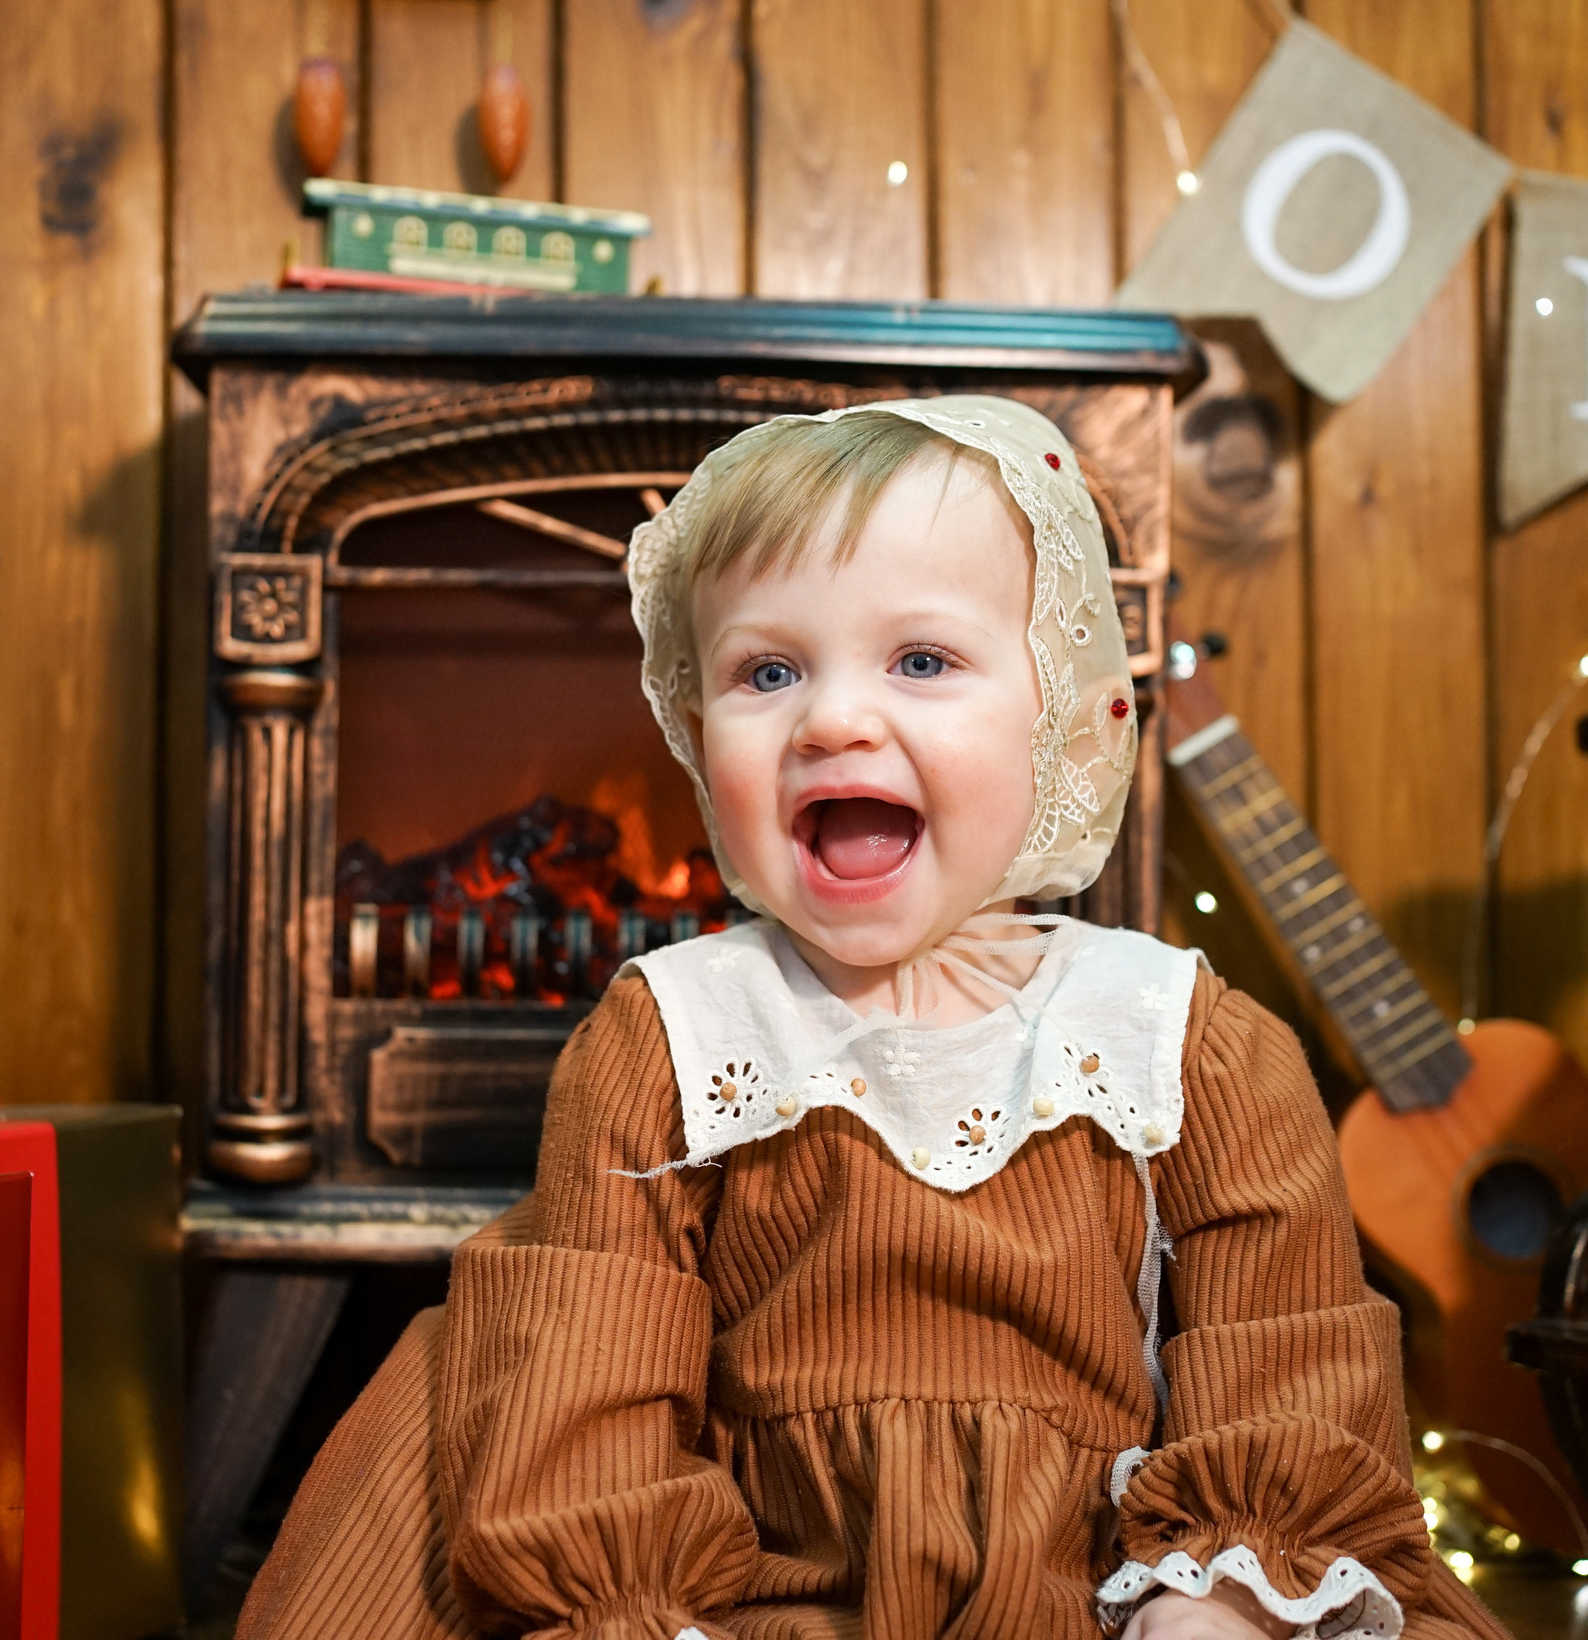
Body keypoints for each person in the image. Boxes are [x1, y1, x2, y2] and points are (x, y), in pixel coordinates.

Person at [236, 398, 1509, 1640]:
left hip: (1111, 1589)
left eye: (922, 662)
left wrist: (1212, 1599)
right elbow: (588, 1378)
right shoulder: (674, 1037)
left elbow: (1283, 1361)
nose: (834, 719)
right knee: (473, 1387)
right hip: (760, 1596)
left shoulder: (1183, 1041)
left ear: (1054, 715)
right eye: (767, 672)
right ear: (697, 734)